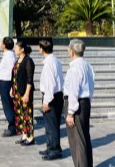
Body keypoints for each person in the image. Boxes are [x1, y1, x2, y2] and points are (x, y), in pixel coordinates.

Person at [64, 39, 95, 167]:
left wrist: (70, 112)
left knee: (77, 141)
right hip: (85, 102)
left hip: (76, 105)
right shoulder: (87, 66)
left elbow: (74, 91)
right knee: (84, 138)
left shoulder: (75, 68)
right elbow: (91, 85)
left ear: (71, 51)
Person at [38, 38, 64, 160]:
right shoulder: (56, 61)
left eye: (39, 47)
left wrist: (46, 101)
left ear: (42, 49)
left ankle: (55, 150)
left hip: (51, 96)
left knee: (52, 125)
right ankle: (50, 147)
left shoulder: (49, 63)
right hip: (57, 95)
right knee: (51, 124)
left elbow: (50, 84)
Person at [10, 40, 36, 146]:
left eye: (17, 48)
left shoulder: (28, 61)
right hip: (17, 91)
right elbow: (15, 76)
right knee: (20, 113)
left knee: (27, 114)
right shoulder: (18, 60)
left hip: (25, 92)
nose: (15, 49)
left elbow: (29, 78)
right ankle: (24, 135)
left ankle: (30, 137)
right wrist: (12, 88)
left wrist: (27, 93)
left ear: (22, 49)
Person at [0, 36, 17, 137]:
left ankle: (12, 127)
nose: (0, 44)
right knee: (7, 104)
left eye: (2, 43)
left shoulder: (9, 57)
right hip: (4, 82)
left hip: (6, 83)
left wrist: (12, 87)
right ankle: (12, 125)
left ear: (4, 45)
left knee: (8, 105)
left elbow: (11, 72)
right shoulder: (7, 55)